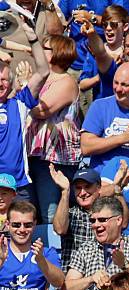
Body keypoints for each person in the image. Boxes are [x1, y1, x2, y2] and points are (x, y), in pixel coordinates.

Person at [26, 34, 81, 224]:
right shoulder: (42, 79)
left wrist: (24, 89)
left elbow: (42, 110)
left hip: (55, 160)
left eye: (45, 48)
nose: (40, 51)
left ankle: (53, 251)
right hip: (35, 155)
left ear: (58, 52)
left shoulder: (66, 81)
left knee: (50, 213)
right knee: (32, 212)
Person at [51, 167, 102, 290]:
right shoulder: (71, 213)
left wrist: (116, 189)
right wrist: (64, 193)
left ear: (99, 188)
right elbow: (59, 228)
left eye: (87, 187)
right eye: (77, 188)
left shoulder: (108, 213)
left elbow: (123, 220)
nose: (82, 192)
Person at [0, 19, 50, 200]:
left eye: (4, 79)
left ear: (12, 83)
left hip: (18, 184)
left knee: (22, 228)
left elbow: (44, 72)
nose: (0, 83)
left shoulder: (19, 104)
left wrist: (33, 40)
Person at [79, 4, 129, 101]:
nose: (108, 28)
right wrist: (100, 76)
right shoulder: (94, 51)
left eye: (114, 24)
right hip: (102, 107)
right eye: (105, 25)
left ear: (125, 26)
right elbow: (82, 85)